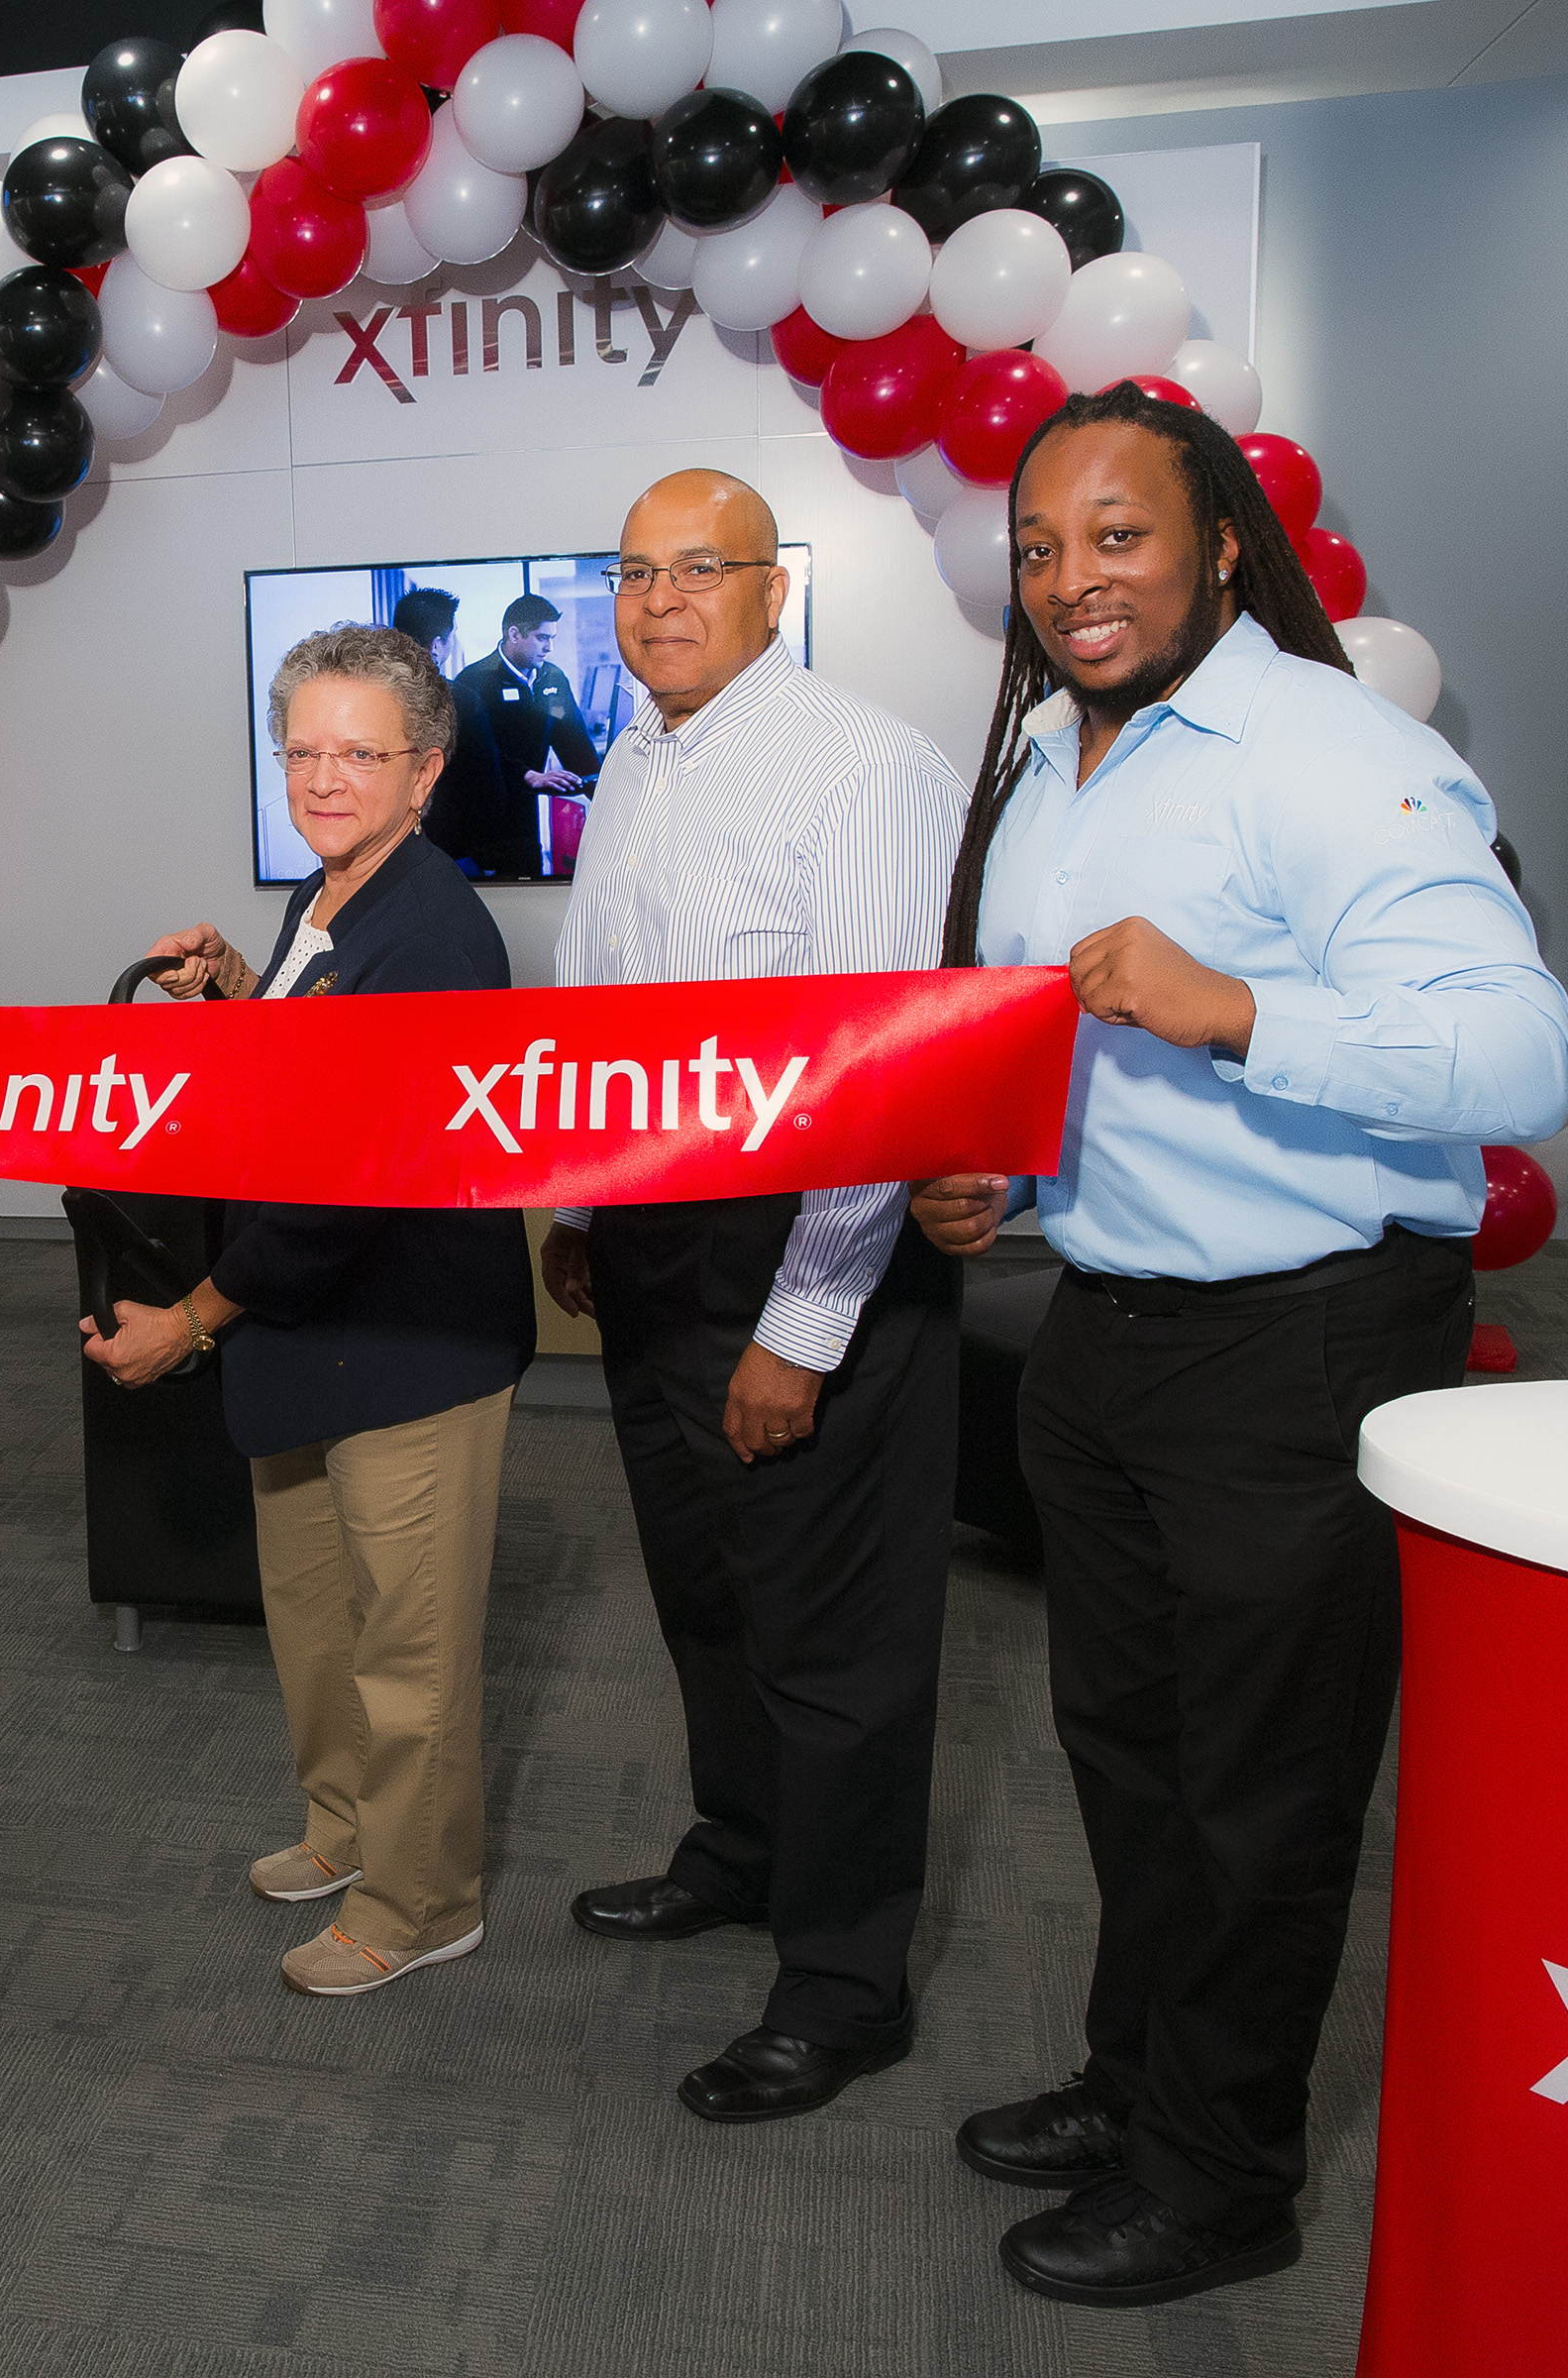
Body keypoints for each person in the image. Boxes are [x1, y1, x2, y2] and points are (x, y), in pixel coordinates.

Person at [911, 384, 1568, 2307]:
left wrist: (1239, 1012)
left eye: (1117, 535)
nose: (1072, 579)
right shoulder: (1055, 763)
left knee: (1263, 1786)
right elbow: (1056, 1051)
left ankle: (1227, 2176)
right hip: (1105, 1327)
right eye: (1041, 547)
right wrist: (998, 1189)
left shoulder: (1326, 747)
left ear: (1219, 544)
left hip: (1305, 1344)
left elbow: (1525, 1056)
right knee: (1128, 1756)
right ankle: (1141, 2082)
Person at [542, 470, 965, 2122]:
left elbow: (878, 1084)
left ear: (773, 590)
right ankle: (742, 1851)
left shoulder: (859, 771)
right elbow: (605, 1013)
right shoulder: (642, 760)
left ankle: (846, 1984)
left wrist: (802, 1326)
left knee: (835, 1638)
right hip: (657, 1250)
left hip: (811, 1257)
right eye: (632, 570)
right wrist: (585, 1207)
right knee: (708, 1589)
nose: (657, 599)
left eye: (696, 569)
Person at [85, 623, 532, 1998]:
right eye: (305, 750)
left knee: (409, 1653)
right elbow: (300, 1090)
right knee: (319, 1623)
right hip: (310, 1346)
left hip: (405, 1347)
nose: (326, 778)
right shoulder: (324, 905)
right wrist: (235, 994)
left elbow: (347, 1191)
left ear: (425, 773)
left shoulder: (435, 935)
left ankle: (420, 1900)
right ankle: (344, 1832)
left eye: (361, 753)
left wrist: (193, 1321)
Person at [436, 593, 600, 878]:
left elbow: (574, 740)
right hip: (485, 823)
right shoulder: (473, 683)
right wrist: (528, 775)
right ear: (514, 634)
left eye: (552, 638)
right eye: (542, 638)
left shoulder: (552, 679)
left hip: (527, 821)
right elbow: (473, 759)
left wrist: (599, 785)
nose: (549, 647)